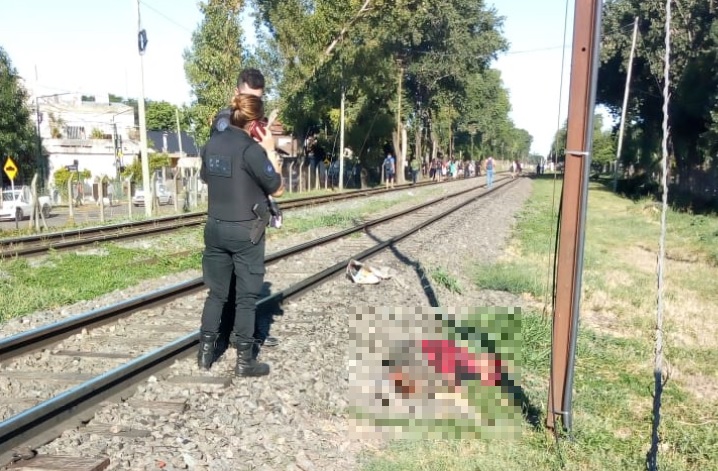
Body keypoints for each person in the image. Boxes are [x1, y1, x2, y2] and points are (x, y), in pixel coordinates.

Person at [197, 93, 284, 377]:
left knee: (216, 293)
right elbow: (277, 186)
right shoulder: (251, 150)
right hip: (246, 231)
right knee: (246, 297)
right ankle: (245, 361)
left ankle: (205, 355)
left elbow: (207, 177)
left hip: (215, 228)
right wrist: (270, 148)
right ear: (256, 122)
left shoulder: (210, 145)